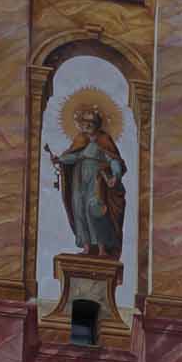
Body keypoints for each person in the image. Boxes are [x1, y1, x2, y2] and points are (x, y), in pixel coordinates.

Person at [47, 108, 126, 258]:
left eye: (91, 122)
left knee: (95, 209)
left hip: (96, 179)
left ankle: (102, 248)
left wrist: (116, 175)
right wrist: (60, 159)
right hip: (79, 179)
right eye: (85, 122)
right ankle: (87, 247)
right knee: (79, 208)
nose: (88, 125)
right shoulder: (80, 140)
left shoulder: (104, 140)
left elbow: (113, 160)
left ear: (98, 124)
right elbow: (74, 156)